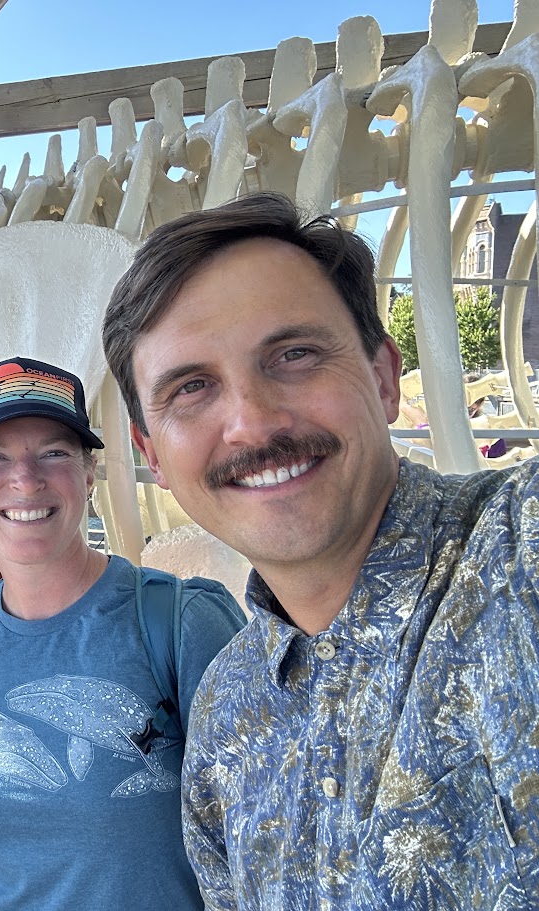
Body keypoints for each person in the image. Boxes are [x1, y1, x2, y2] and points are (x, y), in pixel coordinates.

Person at [101, 192, 539, 908]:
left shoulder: (515, 558)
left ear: (383, 376)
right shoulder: (221, 717)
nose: (250, 422)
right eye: (190, 387)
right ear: (151, 455)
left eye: (294, 354)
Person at [0, 357, 246, 911]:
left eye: (54, 452)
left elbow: (266, 833)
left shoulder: (183, 623)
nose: (25, 478)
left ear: (89, 474)